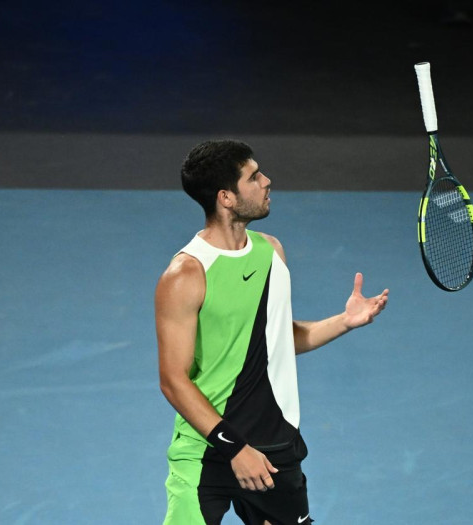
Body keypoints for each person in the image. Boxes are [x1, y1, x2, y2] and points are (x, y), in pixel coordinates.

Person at [156, 139, 389, 524]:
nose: (267, 181)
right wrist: (235, 449)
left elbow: (273, 341)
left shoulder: (271, 252)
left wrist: (344, 321)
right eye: (254, 176)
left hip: (276, 446)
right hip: (207, 451)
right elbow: (172, 380)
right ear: (226, 197)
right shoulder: (186, 274)